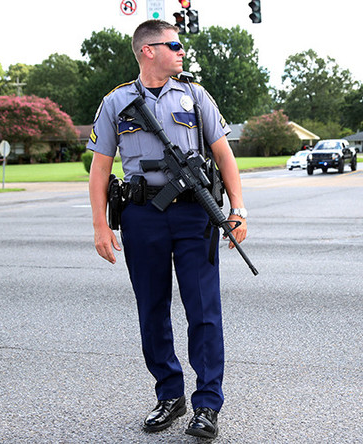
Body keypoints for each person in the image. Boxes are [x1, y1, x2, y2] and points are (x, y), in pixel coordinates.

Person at [87, 20, 247, 439]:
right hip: (142, 215)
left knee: (203, 310)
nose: (181, 51)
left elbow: (223, 154)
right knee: (152, 310)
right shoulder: (116, 102)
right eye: (173, 45)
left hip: (195, 214)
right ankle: (169, 396)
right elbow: (100, 167)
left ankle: (207, 404)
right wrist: (101, 226)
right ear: (147, 51)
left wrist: (239, 208)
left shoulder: (195, 96)